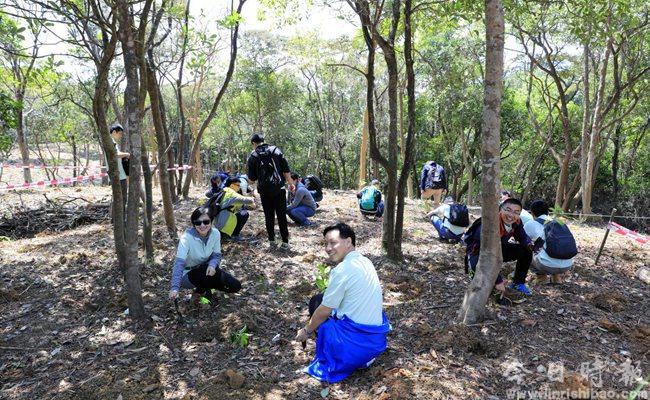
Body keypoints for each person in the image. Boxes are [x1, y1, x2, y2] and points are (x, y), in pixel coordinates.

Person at [295, 222, 391, 383]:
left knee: (318, 306)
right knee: (320, 299)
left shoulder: (342, 270)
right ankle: (360, 354)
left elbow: (325, 310)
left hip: (356, 344)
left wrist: (306, 330)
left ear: (348, 242)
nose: (328, 248)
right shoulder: (365, 261)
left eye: (333, 242)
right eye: (325, 243)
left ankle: (340, 356)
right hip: (375, 340)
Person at [168, 207, 241, 303]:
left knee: (235, 286)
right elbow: (179, 264)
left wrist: (212, 265)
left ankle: (207, 287)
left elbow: (216, 255)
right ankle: (202, 291)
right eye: (198, 223)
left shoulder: (215, 233)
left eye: (206, 222)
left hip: (207, 269)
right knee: (207, 271)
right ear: (194, 224)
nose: (202, 225)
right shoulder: (186, 239)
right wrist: (174, 288)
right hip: (188, 274)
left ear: (211, 221)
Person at [463, 197, 533, 295]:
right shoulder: (490, 225)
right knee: (485, 287)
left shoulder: (516, 222)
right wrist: (498, 280)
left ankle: (518, 283)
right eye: (508, 210)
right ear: (500, 209)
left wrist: (530, 244)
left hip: (498, 250)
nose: (511, 215)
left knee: (526, 251)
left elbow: (522, 238)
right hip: (479, 255)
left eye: (516, 212)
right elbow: (488, 254)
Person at [246, 132, 294, 250]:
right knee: (281, 215)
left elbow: (252, 180)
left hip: (264, 191)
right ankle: (285, 242)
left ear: (253, 143)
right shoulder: (276, 150)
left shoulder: (253, 156)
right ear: (263, 140)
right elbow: (286, 170)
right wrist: (291, 184)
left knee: (269, 215)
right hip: (279, 189)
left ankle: (272, 241)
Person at [523, 200, 575, 284]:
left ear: (532, 213)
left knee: (526, 251)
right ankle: (556, 277)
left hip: (546, 265)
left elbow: (523, 241)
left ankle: (541, 277)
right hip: (567, 265)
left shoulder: (530, 224)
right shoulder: (559, 223)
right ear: (548, 211)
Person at [108, 123, 130, 214]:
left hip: (120, 174)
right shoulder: (111, 142)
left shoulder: (112, 142)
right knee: (122, 198)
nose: (121, 136)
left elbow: (117, 153)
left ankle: (116, 219)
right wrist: (127, 154)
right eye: (119, 133)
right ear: (114, 132)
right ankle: (118, 219)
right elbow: (116, 155)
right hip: (119, 175)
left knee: (119, 198)